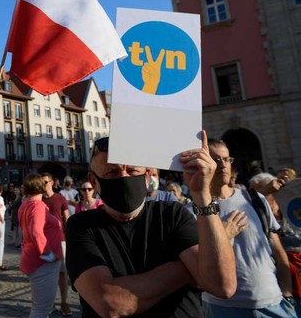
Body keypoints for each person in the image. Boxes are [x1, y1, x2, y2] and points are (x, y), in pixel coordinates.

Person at [66, 133, 236, 317]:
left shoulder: (172, 213)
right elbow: (111, 303)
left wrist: (203, 196)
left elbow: (222, 285)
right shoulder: (81, 225)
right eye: (112, 172)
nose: (123, 178)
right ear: (94, 182)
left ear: (147, 176)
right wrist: (191, 269)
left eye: (132, 171)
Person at [201, 139, 296, 318]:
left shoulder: (255, 198)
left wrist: (287, 294)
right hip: (223, 308)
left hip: (275, 303)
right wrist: (224, 235)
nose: (223, 165)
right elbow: (199, 264)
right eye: (215, 159)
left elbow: (277, 250)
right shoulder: (194, 211)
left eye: (226, 159)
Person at [19, 173, 64, 317]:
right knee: (42, 308)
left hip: (33, 258)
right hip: (42, 262)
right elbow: (36, 231)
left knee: (41, 306)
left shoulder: (25, 205)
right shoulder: (38, 206)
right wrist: (47, 253)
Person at [41, 172, 71, 316]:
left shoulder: (60, 198)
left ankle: (64, 302)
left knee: (62, 273)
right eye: (41, 182)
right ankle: (49, 303)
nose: (43, 184)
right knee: (46, 274)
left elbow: (67, 219)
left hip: (59, 239)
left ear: (52, 182)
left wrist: (70, 236)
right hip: (44, 241)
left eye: (45, 182)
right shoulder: (38, 199)